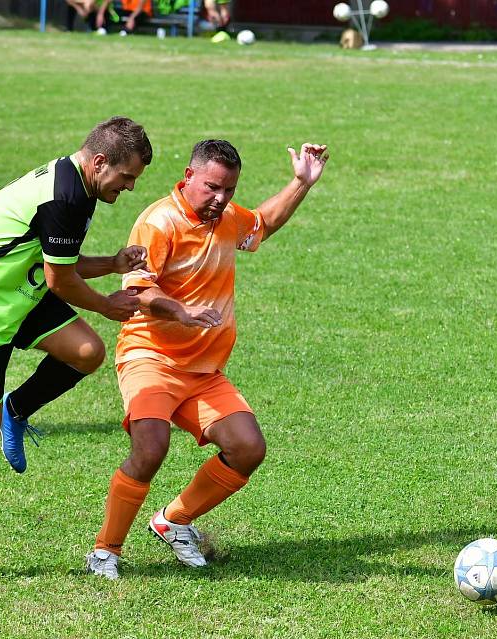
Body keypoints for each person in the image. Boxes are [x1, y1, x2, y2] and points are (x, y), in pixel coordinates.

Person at [0, 116, 152, 570]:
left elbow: (58, 260)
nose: (130, 187)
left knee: (85, 353)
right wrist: (108, 306)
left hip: (20, 293)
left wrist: (113, 262)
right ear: (101, 162)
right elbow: (61, 279)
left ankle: (15, 409)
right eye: (127, 177)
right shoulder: (65, 196)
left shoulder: (79, 183)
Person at [85, 139, 328, 579]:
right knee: (151, 448)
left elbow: (263, 224)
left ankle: (173, 521)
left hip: (202, 370)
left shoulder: (227, 218)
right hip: (150, 356)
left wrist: (300, 183)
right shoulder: (159, 222)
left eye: (229, 190)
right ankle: (105, 551)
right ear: (188, 176)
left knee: (248, 448)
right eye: (212, 187)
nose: (220, 199)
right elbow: (139, 289)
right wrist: (182, 312)